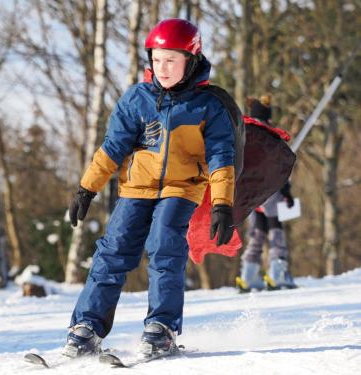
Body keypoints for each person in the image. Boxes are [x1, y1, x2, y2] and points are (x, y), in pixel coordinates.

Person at [63, 19, 237, 359]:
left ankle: (162, 328)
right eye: (157, 59)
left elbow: (221, 157)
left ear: (191, 59)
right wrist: (87, 188)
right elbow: (112, 148)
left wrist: (222, 204)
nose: (163, 67)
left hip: (181, 189)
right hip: (135, 189)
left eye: (171, 59)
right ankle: (86, 328)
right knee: (112, 253)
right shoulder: (137, 99)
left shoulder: (207, 105)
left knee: (164, 248)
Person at [236, 95, 297, 292]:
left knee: (258, 231)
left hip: (249, 192)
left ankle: (249, 274)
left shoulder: (243, 133)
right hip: (270, 190)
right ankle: (277, 273)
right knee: (275, 229)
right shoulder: (269, 136)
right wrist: (286, 191)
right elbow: (278, 167)